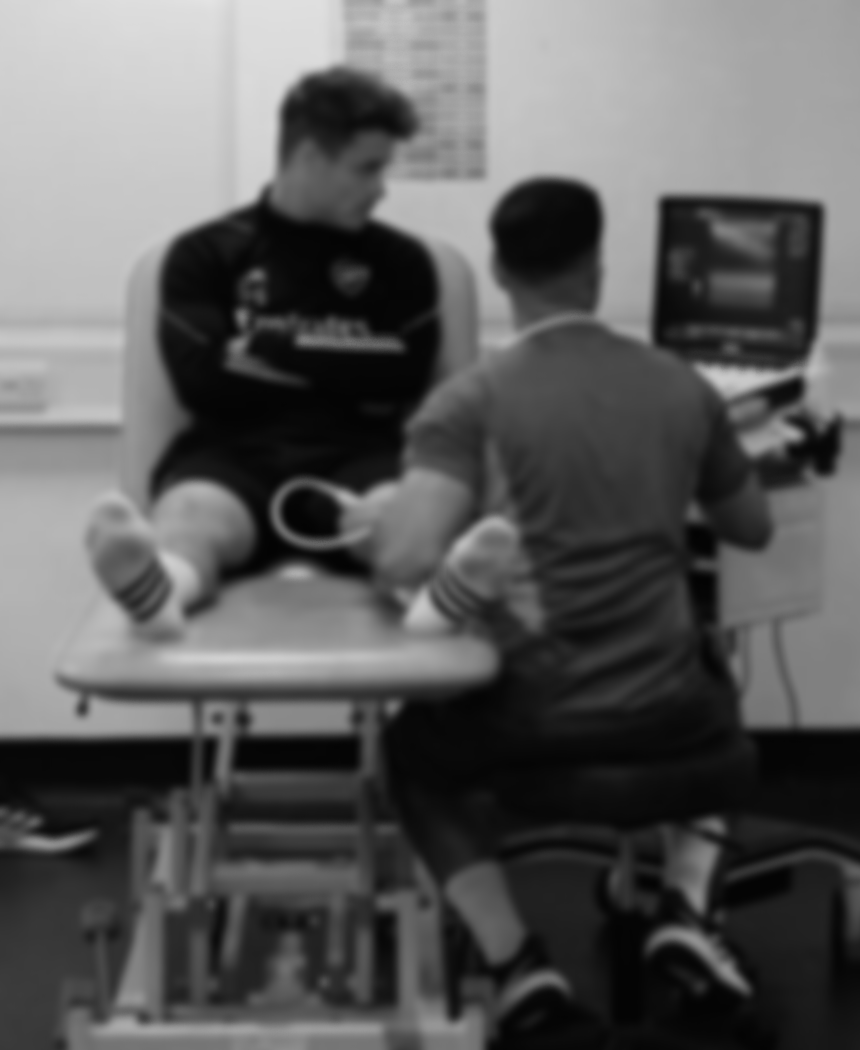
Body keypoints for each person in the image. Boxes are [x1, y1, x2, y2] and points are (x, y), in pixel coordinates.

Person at [370, 178, 774, 1047]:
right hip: (671, 717)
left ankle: (519, 966)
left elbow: (404, 557)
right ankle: (685, 908)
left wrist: (384, 516)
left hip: (526, 718)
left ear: (499, 270)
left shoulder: (467, 401)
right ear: (596, 266)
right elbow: (752, 526)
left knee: (411, 757)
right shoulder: (681, 387)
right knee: (717, 681)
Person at [84, 66, 474, 637]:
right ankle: (160, 592)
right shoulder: (205, 255)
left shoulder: (403, 262)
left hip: (358, 457)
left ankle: (436, 600)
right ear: (310, 157)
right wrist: (352, 359)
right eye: (367, 168)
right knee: (189, 517)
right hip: (232, 456)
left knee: (396, 515)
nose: (381, 189)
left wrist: (264, 344)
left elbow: (402, 374)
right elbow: (203, 380)